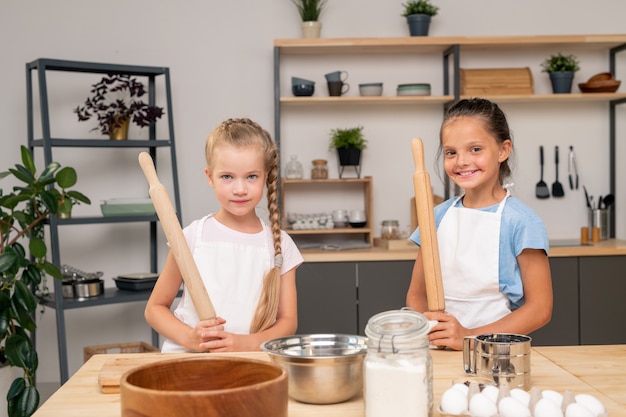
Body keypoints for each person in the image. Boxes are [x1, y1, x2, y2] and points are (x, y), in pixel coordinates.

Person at [145, 118, 303, 353]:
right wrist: (189, 338)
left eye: (251, 176)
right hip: (188, 362)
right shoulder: (191, 237)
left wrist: (242, 344)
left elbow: (288, 322)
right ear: (210, 177)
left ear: (266, 176)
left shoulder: (281, 245)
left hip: (249, 361)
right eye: (227, 177)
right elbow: (155, 308)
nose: (240, 189)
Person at [406, 98, 552, 350]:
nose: (461, 161)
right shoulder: (436, 217)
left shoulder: (521, 222)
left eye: (475, 149)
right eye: (451, 152)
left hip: (495, 354)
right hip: (437, 350)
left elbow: (540, 309)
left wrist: (469, 337)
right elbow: (417, 294)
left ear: (503, 150)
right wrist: (426, 326)